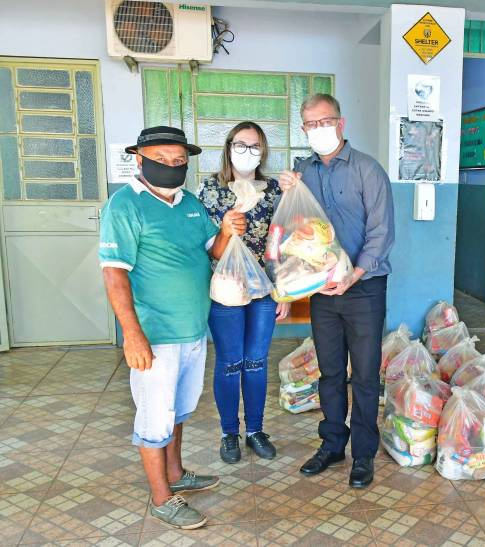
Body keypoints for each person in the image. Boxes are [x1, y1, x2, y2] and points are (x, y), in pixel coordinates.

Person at [99, 126, 245, 529]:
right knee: (154, 417)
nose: (171, 166)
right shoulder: (125, 205)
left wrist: (227, 233)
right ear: (139, 158)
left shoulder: (190, 204)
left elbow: (210, 251)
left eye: (179, 161)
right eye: (161, 159)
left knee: (178, 410)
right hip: (155, 335)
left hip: (193, 330)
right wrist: (132, 334)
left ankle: (177, 474)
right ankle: (162, 497)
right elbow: (114, 275)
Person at [278, 93, 395, 489]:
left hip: (363, 288)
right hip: (321, 290)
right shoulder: (301, 171)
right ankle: (331, 445)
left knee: (363, 374)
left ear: (341, 124)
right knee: (329, 372)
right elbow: (294, 228)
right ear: (303, 129)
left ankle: (363, 454)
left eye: (324, 122)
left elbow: (381, 233)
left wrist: (355, 274)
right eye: (310, 125)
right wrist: (285, 191)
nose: (318, 130)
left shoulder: (368, 170)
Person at [198, 121, 290, 465]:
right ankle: (228, 433)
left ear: (263, 151)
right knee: (229, 363)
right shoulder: (210, 190)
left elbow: (279, 244)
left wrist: (282, 291)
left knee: (255, 362)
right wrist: (225, 230)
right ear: (228, 147)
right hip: (226, 289)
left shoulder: (273, 191)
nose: (247, 152)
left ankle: (255, 430)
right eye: (241, 145)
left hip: (264, 291)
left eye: (254, 146)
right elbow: (208, 249)